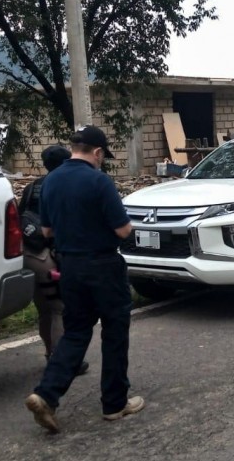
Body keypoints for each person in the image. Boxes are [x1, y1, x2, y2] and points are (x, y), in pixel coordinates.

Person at [25, 125, 144, 433]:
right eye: (103, 156)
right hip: (103, 266)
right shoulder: (98, 181)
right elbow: (122, 230)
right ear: (97, 152)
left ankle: (46, 395)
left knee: (76, 332)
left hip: (70, 269)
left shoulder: (51, 181)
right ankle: (115, 404)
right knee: (115, 332)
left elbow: (47, 231)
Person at [18, 145, 87, 375]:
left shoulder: (31, 187)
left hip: (26, 254)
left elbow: (20, 216)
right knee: (59, 308)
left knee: (44, 310)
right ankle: (63, 362)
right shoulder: (61, 186)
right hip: (46, 255)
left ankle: (50, 354)